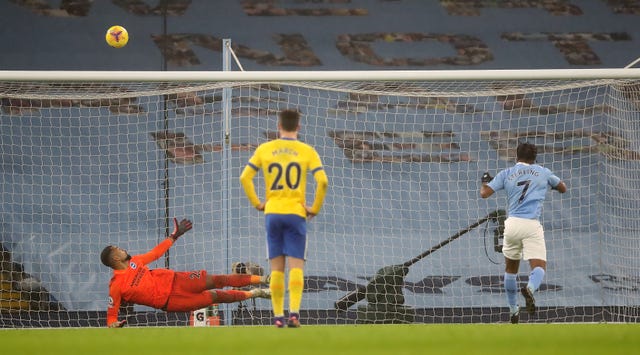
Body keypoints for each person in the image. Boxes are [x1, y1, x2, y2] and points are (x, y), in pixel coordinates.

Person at [240, 109, 329, 328]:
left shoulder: (265, 149)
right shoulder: (307, 151)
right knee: (296, 267)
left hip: (273, 213)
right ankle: (295, 314)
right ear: (298, 127)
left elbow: (245, 177)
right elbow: (323, 181)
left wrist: (258, 203)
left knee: (276, 269)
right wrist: (314, 208)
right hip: (296, 213)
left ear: (278, 126)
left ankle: (278, 317)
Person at [100, 218, 270, 328]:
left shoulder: (135, 262)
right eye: (118, 249)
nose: (122, 250)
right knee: (216, 296)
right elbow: (111, 314)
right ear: (115, 258)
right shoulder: (116, 285)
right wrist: (113, 323)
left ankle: (263, 279)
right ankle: (255, 293)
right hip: (172, 301)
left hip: (178, 280)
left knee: (218, 280)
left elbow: (156, 253)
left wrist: (175, 235)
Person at [480, 142, 566, 324]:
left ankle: (513, 310)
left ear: (516, 156)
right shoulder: (543, 172)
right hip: (531, 225)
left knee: (511, 270)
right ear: (534, 158)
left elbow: (484, 193)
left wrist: (485, 181)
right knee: (539, 267)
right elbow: (563, 188)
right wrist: (553, 186)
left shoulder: (506, 173)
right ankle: (530, 289)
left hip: (512, 225)